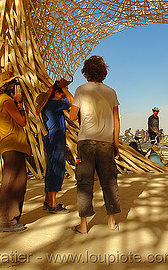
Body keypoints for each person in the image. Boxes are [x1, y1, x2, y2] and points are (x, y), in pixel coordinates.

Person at [69, 55, 121, 234]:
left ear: (86, 72)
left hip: (86, 142)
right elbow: (116, 120)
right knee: (109, 182)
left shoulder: (81, 90)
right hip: (106, 143)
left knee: (84, 183)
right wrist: (115, 144)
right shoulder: (111, 92)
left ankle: (83, 225)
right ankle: (112, 222)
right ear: (103, 73)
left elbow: (72, 116)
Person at [0, 71, 31, 232]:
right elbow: (22, 121)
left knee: (17, 182)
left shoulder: (1, 101)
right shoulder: (7, 102)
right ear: (6, 87)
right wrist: (20, 103)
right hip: (13, 145)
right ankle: (5, 220)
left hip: (13, 145)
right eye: (12, 84)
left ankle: (11, 218)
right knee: (12, 183)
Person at [36, 79, 73, 214]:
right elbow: (72, 101)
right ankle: (52, 204)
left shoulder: (49, 105)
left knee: (51, 169)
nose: (62, 96)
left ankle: (48, 200)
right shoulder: (53, 103)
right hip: (56, 139)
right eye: (60, 94)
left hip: (51, 138)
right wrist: (65, 89)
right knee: (57, 169)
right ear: (55, 94)